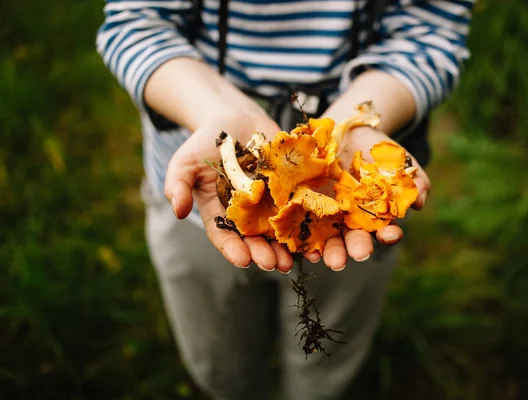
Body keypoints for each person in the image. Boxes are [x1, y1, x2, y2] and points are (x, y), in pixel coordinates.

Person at [96, 0, 474, 398]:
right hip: (198, 191)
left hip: (353, 190)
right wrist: (216, 111)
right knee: (220, 359)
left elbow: (430, 32)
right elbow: (136, 23)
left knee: (327, 360)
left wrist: (345, 125)